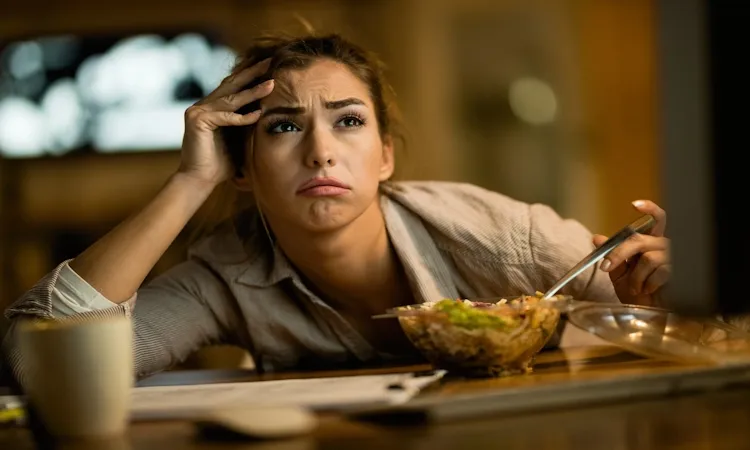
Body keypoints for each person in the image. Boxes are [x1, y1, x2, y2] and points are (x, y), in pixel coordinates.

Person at [2, 33, 670, 381]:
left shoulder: (500, 235)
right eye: (284, 127)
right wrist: (187, 183)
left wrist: (679, 282)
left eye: (348, 122)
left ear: (385, 156)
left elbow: (664, 319)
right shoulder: (224, 275)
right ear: (241, 165)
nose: (321, 152)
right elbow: (35, 359)